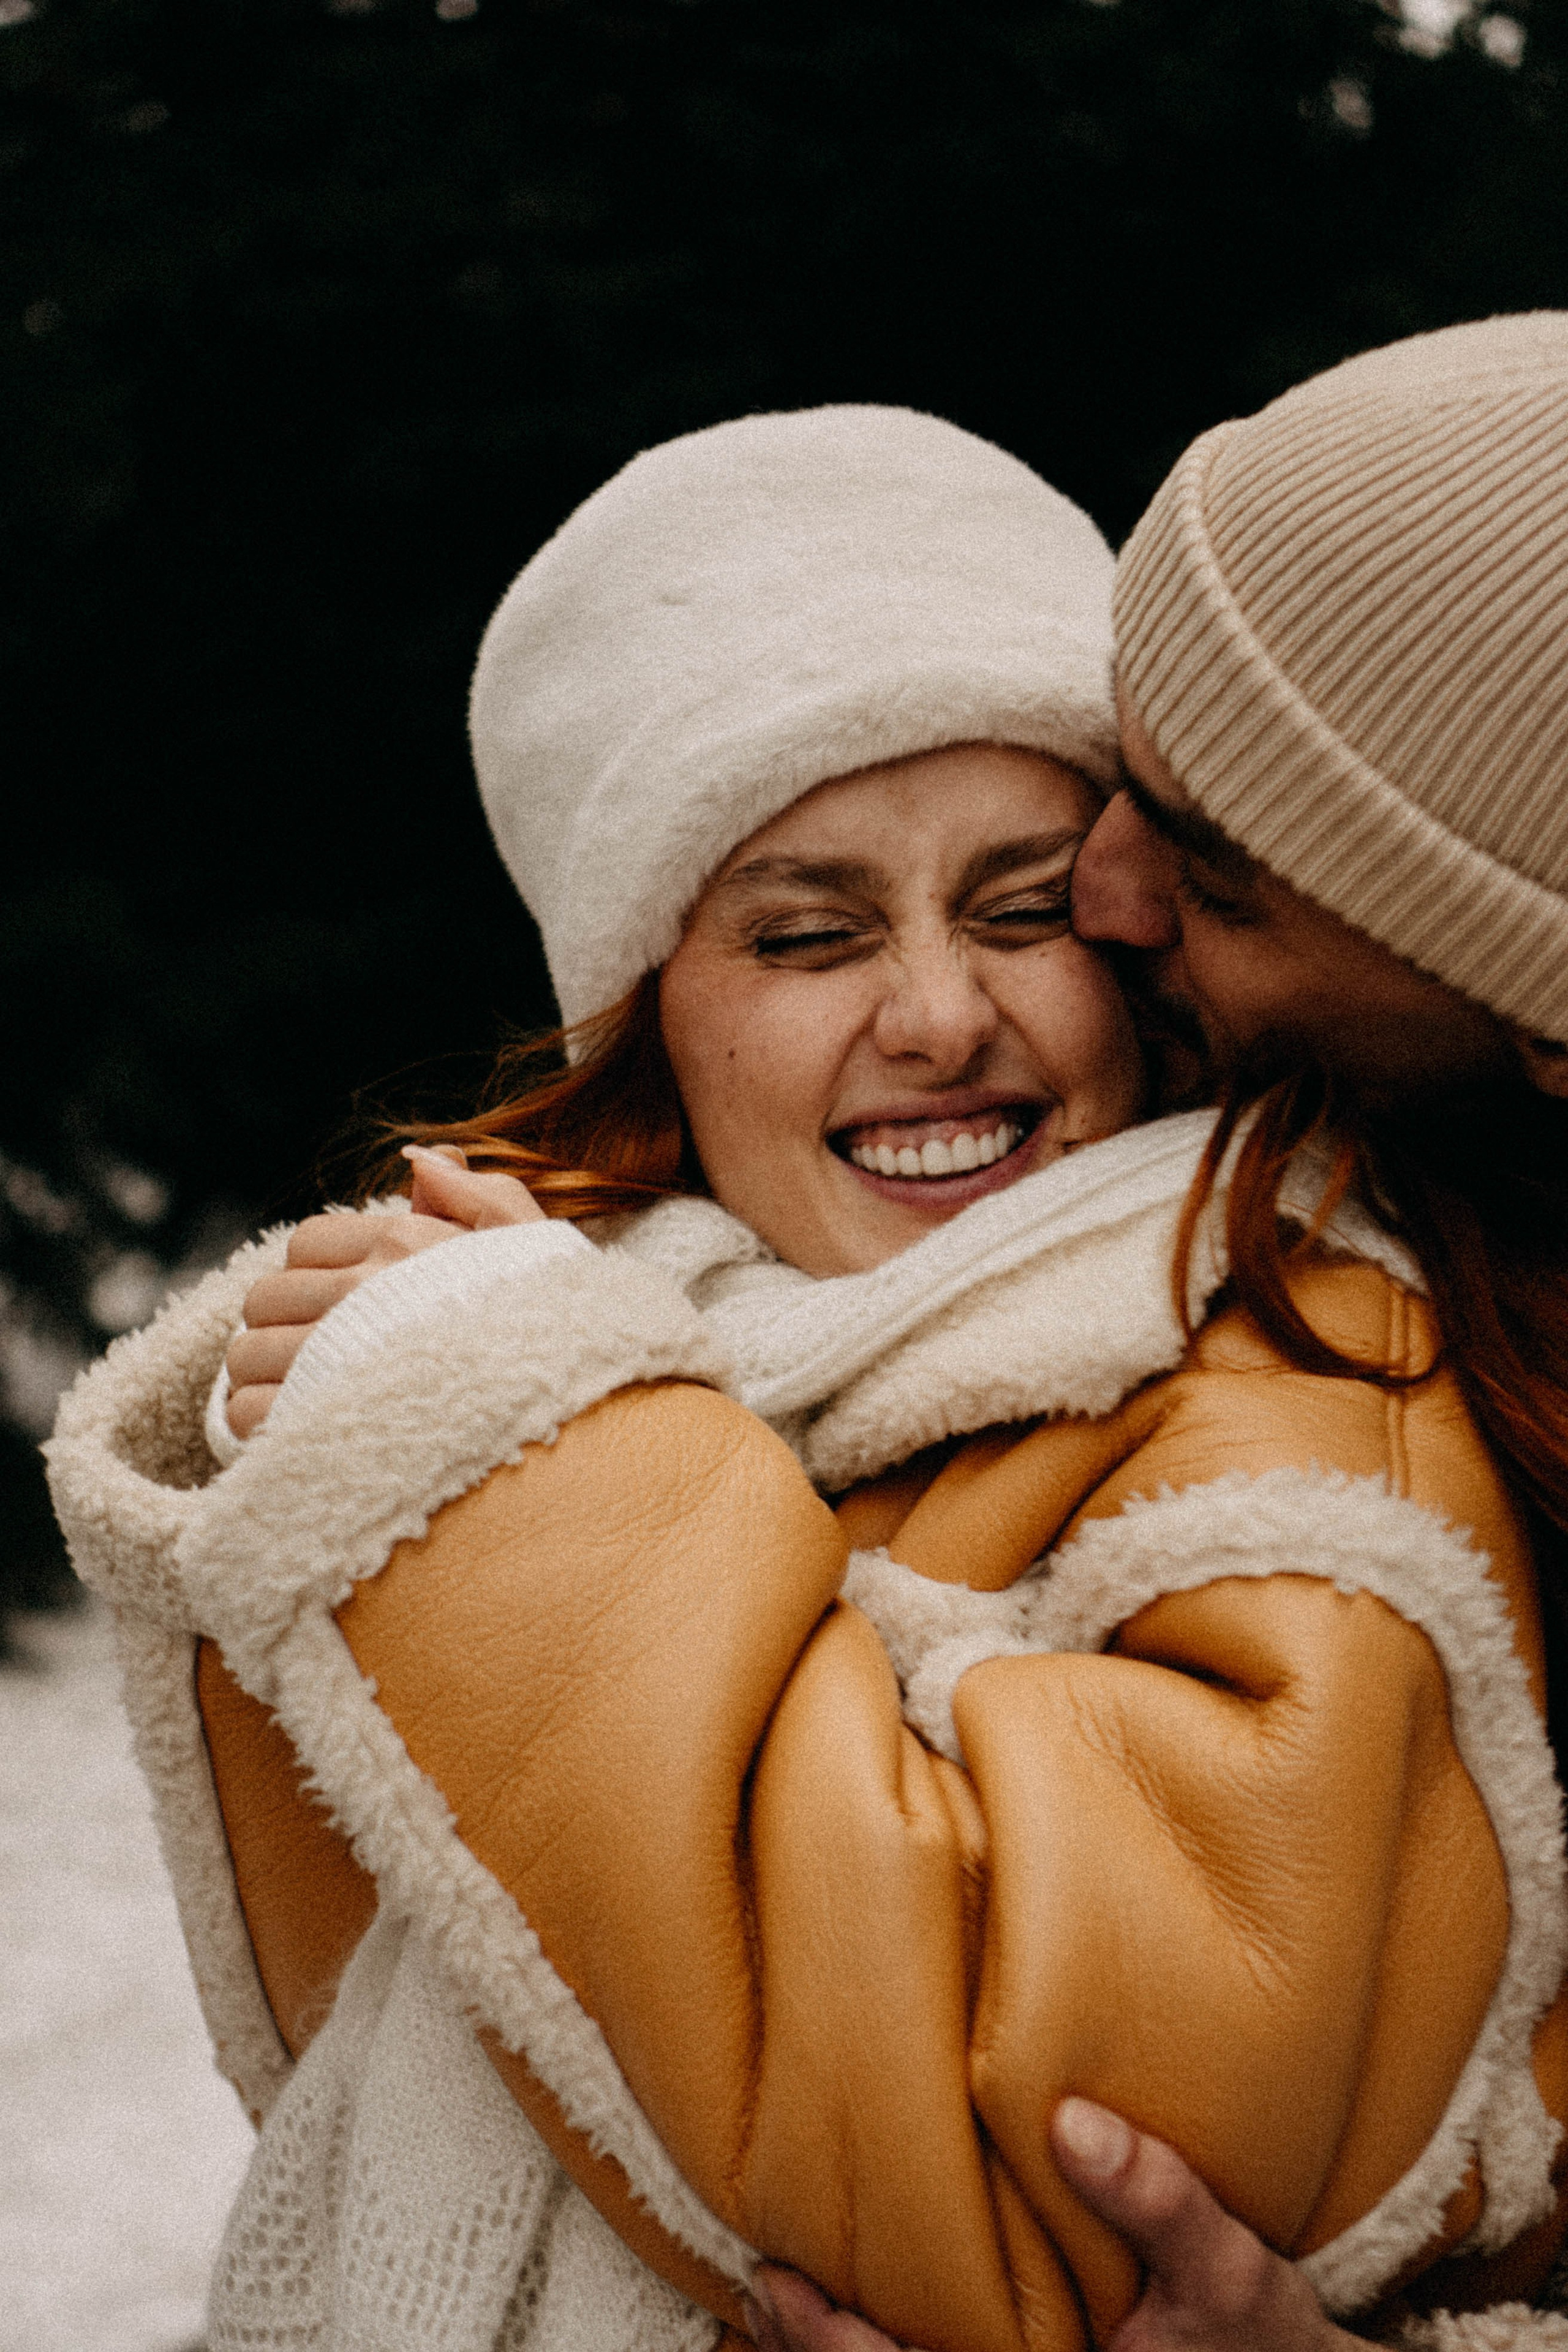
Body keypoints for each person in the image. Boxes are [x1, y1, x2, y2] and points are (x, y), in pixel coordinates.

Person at [45, 325, 1568, 2352]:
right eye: (807, 931)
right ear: (645, 1014)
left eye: (1150, 879)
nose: (969, 995)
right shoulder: (651, 1332)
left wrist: (522, 1457)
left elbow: (1079, 2157)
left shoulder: (1314, 1373)